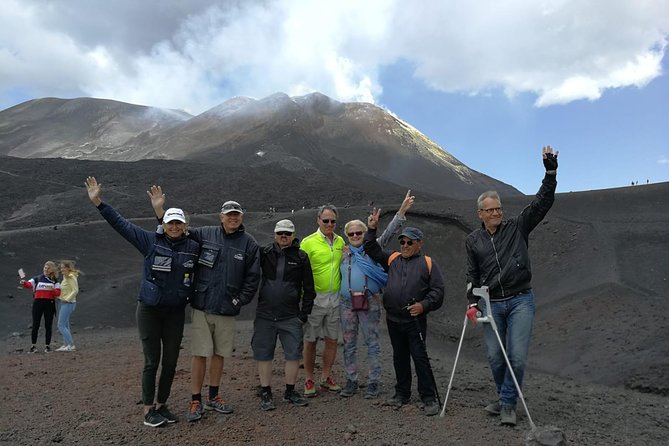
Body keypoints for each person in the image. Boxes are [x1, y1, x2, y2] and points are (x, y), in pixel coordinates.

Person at [85, 176, 200, 428]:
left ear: (184, 225)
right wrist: (99, 203)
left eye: (178, 222)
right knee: (152, 361)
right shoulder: (150, 241)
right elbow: (121, 225)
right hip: (149, 310)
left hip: (175, 312)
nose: (174, 226)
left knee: (171, 361)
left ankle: (162, 405)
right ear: (164, 224)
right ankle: (149, 410)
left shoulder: (193, 246)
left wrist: (160, 210)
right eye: (170, 222)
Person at [148, 186, 261, 422]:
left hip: (227, 308)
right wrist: (160, 212)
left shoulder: (249, 243)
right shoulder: (205, 233)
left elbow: (253, 277)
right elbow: (176, 231)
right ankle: (195, 399)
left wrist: (240, 300)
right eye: (228, 214)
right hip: (202, 305)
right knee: (200, 354)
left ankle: (214, 396)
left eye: (236, 214)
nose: (232, 218)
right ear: (221, 217)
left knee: (219, 354)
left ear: (241, 217)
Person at [464, 146, 558, 426]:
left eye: (498, 209)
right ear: (480, 213)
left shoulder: (517, 227)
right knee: (495, 357)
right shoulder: (473, 241)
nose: (496, 213)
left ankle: (507, 404)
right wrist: (472, 303)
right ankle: (504, 396)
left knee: (516, 356)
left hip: (520, 300)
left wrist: (550, 173)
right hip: (490, 303)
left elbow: (542, 203)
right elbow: (473, 273)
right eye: (490, 210)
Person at [364, 218, 445, 416]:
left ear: (419, 244)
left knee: (420, 357)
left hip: (415, 321)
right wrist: (372, 228)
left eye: (410, 242)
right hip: (393, 319)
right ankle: (402, 393)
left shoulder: (427, 263)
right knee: (399, 357)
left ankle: (428, 397)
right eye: (403, 242)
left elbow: (438, 291)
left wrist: (423, 305)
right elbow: (370, 248)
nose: (405, 246)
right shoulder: (392, 258)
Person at [339, 191, 415, 399]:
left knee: (371, 342)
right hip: (346, 302)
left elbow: (390, 232)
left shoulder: (373, 248)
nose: (355, 236)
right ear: (347, 236)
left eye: (359, 233)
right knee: (349, 343)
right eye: (351, 234)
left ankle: (373, 381)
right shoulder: (342, 252)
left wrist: (401, 210)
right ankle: (351, 380)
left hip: (369, 301)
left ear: (365, 234)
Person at [252, 219, 316, 411]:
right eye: (280, 233)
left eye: (287, 233)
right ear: (274, 234)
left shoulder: (302, 257)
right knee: (264, 354)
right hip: (265, 315)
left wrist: (303, 315)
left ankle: (290, 391)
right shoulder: (265, 253)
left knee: (293, 355)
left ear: (293, 235)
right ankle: (266, 392)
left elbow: (309, 289)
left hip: (290, 317)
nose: (283, 236)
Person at [299, 204, 345, 396]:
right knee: (310, 340)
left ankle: (326, 376)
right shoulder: (308, 242)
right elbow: (299, 271)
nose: (329, 224)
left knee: (332, 340)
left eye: (332, 221)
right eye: (325, 220)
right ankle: (309, 379)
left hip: (335, 298)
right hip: (315, 299)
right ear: (318, 220)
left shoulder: (341, 241)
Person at [20, 261, 61, 353]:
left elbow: (58, 293)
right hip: (38, 303)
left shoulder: (55, 281)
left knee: (48, 325)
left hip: (49, 303)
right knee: (35, 324)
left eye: (48, 268)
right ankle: (33, 346)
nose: (45, 269)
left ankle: (47, 346)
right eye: (45, 267)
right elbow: (29, 284)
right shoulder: (37, 278)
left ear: (52, 270)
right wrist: (23, 282)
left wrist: (53, 290)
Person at [55, 260, 81, 352]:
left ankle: (71, 345)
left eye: (63, 267)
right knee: (65, 324)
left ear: (68, 268)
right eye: (61, 267)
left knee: (60, 324)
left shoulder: (71, 277)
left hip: (68, 303)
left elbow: (75, 290)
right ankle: (66, 344)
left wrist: (67, 299)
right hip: (63, 302)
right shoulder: (65, 277)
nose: (62, 269)